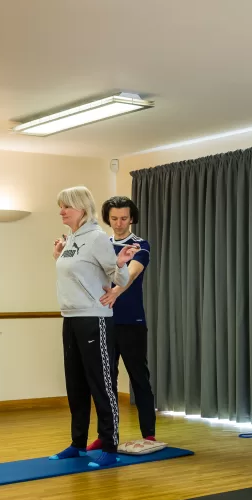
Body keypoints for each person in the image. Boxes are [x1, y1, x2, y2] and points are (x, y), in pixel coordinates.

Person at [50, 186, 138, 468]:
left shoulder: (97, 238)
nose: (62, 211)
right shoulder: (71, 239)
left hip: (94, 318)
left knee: (101, 384)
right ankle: (78, 444)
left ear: (82, 208)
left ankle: (109, 445)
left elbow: (120, 279)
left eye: (66, 206)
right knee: (75, 384)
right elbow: (77, 274)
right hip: (70, 317)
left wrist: (120, 263)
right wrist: (58, 257)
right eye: (61, 206)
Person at [90, 195, 165, 452]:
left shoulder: (140, 245)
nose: (119, 223)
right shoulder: (101, 245)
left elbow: (131, 273)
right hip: (103, 322)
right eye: (114, 218)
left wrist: (116, 291)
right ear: (108, 219)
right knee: (106, 382)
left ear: (131, 218)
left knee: (139, 378)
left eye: (124, 218)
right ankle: (106, 435)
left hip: (132, 322)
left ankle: (149, 434)